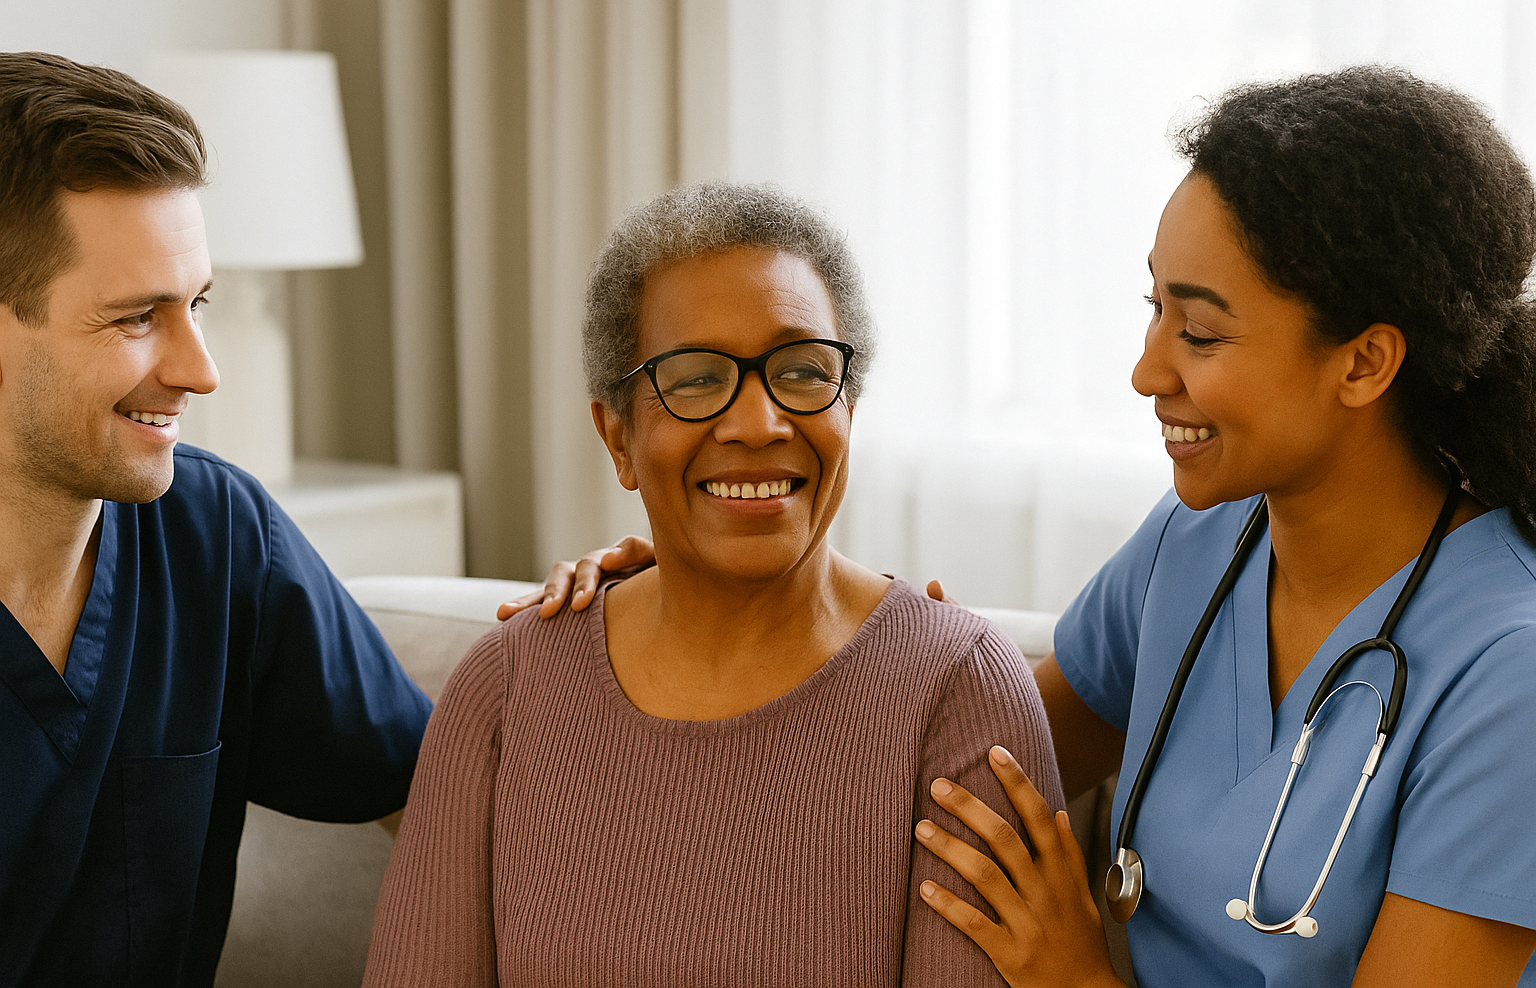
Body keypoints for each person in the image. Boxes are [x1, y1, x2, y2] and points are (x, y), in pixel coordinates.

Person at [516, 66, 1536, 986]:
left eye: (1200, 331)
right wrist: (701, 598)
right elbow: (947, 777)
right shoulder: (1196, 547)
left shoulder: (1509, 673)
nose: (1146, 370)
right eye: (1154, 308)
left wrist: (1077, 978)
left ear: (1365, 362)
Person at [362, 181, 1063, 986]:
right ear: (618, 438)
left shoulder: (960, 691)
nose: (758, 424)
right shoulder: (506, 686)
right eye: (695, 379)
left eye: (801, 370)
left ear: (849, 409)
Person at [0, 52, 432, 987]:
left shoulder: (215, 533)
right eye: (135, 318)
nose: (200, 371)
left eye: (196, 303)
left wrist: (633, 630)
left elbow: (449, 802)